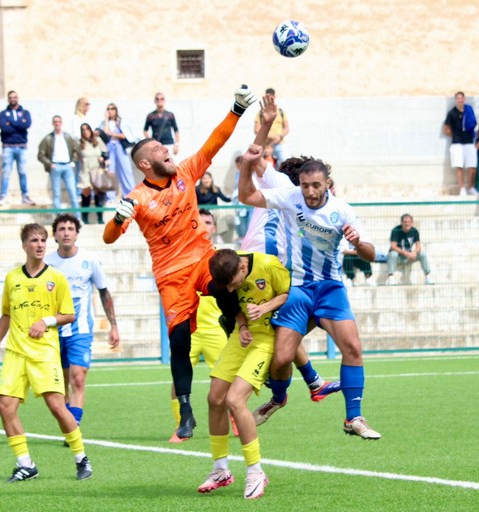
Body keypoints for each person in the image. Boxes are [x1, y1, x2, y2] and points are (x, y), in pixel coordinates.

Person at [102, 85, 258, 439]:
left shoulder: (186, 171)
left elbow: (213, 144)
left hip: (201, 258)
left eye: (165, 145)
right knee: (178, 343)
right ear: (145, 164)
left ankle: (235, 317)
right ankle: (186, 411)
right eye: (158, 149)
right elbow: (109, 238)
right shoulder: (137, 198)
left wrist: (236, 109)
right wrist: (116, 218)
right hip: (171, 275)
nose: (167, 149)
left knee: (229, 270)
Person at [238, 95, 381, 440]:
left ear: (327, 184)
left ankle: (354, 418)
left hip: (330, 287)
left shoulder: (342, 211)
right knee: (282, 358)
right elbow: (247, 196)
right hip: (296, 289)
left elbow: (371, 254)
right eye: (305, 186)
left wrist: (357, 243)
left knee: (353, 348)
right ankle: (278, 397)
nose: (310, 192)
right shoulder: (289, 197)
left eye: (316, 186)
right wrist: (253, 150)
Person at [0, 223, 92, 482]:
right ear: (24, 245)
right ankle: (25, 464)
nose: (40, 245)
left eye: (43, 240)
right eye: (34, 240)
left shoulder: (55, 278)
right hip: (15, 353)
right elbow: (7, 313)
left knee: (57, 406)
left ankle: (81, 458)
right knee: (5, 406)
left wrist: (46, 321)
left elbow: (68, 314)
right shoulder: (13, 278)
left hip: (44, 352)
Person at [197, 249, 290, 500]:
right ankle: (220, 470)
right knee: (215, 398)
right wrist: (242, 325)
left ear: (242, 268)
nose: (230, 290)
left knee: (234, 400)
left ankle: (255, 471)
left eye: (232, 285)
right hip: (243, 337)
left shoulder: (268, 264)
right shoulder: (225, 273)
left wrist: (267, 307)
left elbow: (289, 294)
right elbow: (232, 304)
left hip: (268, 339)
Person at [45, 214, 120, 433]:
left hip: (81, 330)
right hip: (54, 331)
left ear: (77, 234)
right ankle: (69, 422)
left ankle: (73, 429)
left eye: (70, 228)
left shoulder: (90, 260)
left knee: (78, 379)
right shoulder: (48, 263)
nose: (66, 232)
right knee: (62, 383)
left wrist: (113, 325)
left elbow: (104, 292)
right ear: (55, 234)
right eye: (61, 229)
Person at [167, 209, 230, 443]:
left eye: (208, 222)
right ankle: (181, 425)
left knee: (225, 379)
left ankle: (232, 419)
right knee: (178, 378)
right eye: (199, 222)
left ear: (214, 228)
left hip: (214, 329)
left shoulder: (221, 259)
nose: (204, 226)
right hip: (189, 328)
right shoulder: (182, 258)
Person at [0, 91, 34, 206]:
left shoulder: (25, 112)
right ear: (8, 99)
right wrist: (18, 124)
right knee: (6, 172)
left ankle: (25, 196)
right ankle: (3, 195)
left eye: (15, 97)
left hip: (21, 146)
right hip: (8, 146)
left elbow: (26, 125)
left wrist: (12, 123)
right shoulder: (3, 114)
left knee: (22, 172)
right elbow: (4, 128)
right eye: (10, 98)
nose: (13, 99)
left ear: (18, 98)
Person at [37, 116, 80, 214]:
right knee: (56, 194)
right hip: (55, 166)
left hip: (67, 166)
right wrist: (49, 164)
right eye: (55, 122)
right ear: (53, 123)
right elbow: (40, 154)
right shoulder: (48, 138)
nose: (57, 124)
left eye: (59, 122)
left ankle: (77, 217)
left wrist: (72, 162)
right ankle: (58, 218)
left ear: (62, 123)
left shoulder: (67, 137)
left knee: (73, 193)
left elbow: (76, 150)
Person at [443, 91, 478, 196]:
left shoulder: (469, 110)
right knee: (459, 166)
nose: (460, 100)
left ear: (464, 99)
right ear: (455, 100)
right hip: (457, 143)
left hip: (469, 142)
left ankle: (471, 187)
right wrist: (455, 135)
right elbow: (446, 128)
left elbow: (473, 122)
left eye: (461, 98)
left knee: (472, 166)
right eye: (457, 98)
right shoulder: (452, 113)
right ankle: (462, 188)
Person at [99, 103, 136, 197]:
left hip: (119, 146)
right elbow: (104, 133)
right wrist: (106, 119)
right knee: (110, 171)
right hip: (109, 147)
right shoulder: (104, 123)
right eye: (108, 109)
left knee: (126, 170)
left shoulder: (121, 122)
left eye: (112, 109)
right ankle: (110, 196)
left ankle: (130, 194)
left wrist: (112, 134)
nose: (110, 111)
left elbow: (125, 135)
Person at [386, 214, 434, 285]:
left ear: (412, 223)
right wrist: (406, 253)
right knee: (393, 254)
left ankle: (428, 276)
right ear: (401, 223)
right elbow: (393, 246)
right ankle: (391, 277)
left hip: (409, 256)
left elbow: (418, 246)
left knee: (422, 254)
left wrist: (414, 252)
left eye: (409, 222)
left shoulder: (414, 231)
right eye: (405, 222)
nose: (407, 224)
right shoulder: (396, 231)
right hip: (399, 257)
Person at [79, 123, 108, 224]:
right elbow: (75, 154)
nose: (85, 131)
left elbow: (105, 152)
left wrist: (103, 158)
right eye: (83, 130)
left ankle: (100, 217)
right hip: (85, 170)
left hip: (96, 169)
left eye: (87, 129)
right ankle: (85, 218)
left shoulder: (97, 140)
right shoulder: (80, 143)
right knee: (86, 192)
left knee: (98, 193)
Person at [254, 88, 289, 167]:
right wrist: (273, 137)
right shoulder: (260, 113)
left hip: (279, 143)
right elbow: (257, 129)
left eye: (271, 97)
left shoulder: (280, 112)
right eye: (268, 97)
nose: (270, 99)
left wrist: (279, 136)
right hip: (264, 145)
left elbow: (286, 128)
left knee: (286, 162)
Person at [143, 92, 180, 157]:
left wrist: (176, 145)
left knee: (171, 165)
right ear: (155, 101)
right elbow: (145, 130)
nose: (159, 100)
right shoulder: (150, 116)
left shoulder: (170, 115)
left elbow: (176, 130)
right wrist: (151, 142)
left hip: (169, 144)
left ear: (164, 101)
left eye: (162, 99)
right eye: (157, 99)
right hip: (157, 145)